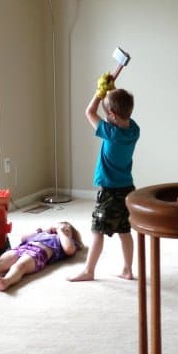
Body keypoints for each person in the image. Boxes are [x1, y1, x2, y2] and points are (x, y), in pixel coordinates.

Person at [68, 74, 140, 282]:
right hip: (127, 189)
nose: (106, 116)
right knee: (124, 231)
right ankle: (127, 269)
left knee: (97, 231)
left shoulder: (110, 133)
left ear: (112, 116)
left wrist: (99, 94)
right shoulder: (134, 130)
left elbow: (89, 112)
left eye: (108, 113)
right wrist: (111, 91)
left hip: (109, 191)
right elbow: (119, 110)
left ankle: (89, 271)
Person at [0, 221, 83, 291]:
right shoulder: (43, 233)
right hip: (21, 248)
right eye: (58, 227)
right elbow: (23, 238)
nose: (59, 229)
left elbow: (69, 249)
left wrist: (62, 233)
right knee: (0, 262)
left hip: (39, 253)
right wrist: (43, 230)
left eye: (67, 230)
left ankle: (7, 281)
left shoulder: (63, 240)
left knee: (20, 266)